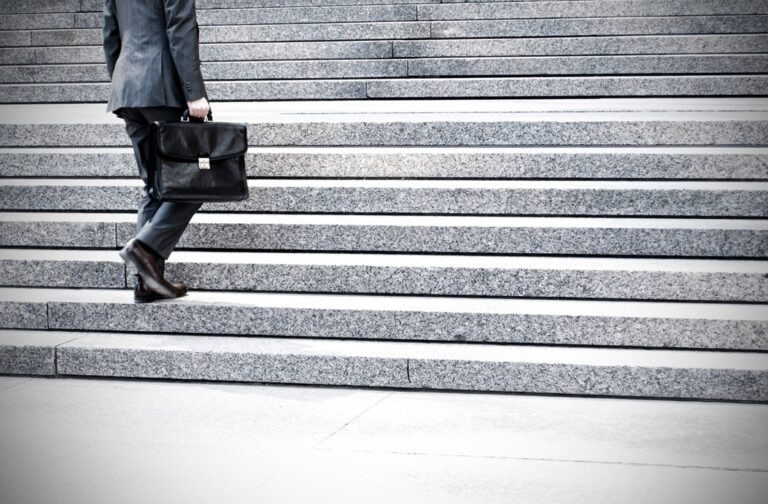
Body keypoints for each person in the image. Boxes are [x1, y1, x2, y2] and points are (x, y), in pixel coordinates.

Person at [103, 0, 210, 303]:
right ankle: (145, 248)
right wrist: (195, 93)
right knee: (194, 182)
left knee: (154, 185)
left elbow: (111, 35)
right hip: (161, 87)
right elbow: (181, 29)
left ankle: (148, 282)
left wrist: (124, 83)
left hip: (127, 89)